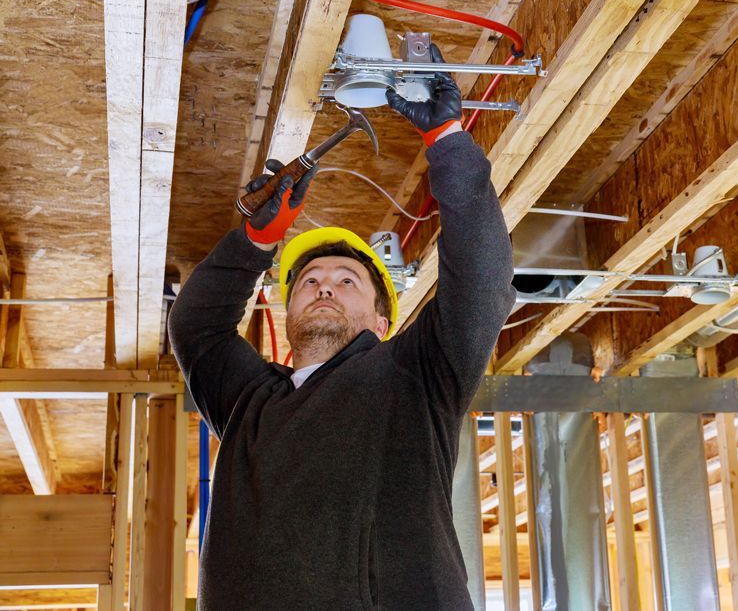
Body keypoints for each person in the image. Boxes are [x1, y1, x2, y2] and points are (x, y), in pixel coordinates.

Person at [168, 46, 515, 610]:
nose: (324, 285)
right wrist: (257, 238)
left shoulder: (416, 376)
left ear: (383, 321)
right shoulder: (248, 400)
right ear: (287, 316)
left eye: (347, 280)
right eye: (309, 281)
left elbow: (481, 278)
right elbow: (196, 326)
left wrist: (448, 141)